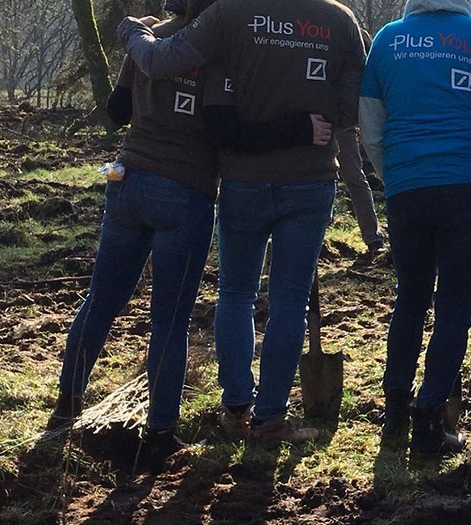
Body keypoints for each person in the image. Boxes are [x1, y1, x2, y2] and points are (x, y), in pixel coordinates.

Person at [49, 0, 329, 471]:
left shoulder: (148, 39)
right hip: (185, 192)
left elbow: (117, 111)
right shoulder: (219, 53)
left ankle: (67, 404)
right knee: (170, 320)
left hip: (128, 178)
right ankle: (160, 433)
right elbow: (228, 132)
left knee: (101, 299)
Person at [117, 0, 365, 448]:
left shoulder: (228, 13)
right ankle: (271, 421)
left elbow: (164, 61)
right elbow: (349, 111)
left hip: (243, 181)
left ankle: (236, 410)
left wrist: (134, 32)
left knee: (235, 292)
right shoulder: (339, 20)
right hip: (309, 180)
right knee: (288, 300)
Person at [360, 0, 471, 456]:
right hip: (470, 184)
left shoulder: (387, 39)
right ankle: (429, 416)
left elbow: (370, 122)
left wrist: (394, 173)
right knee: (454, 305)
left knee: (411, 296)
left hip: (407, 186)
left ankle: (394, 408)